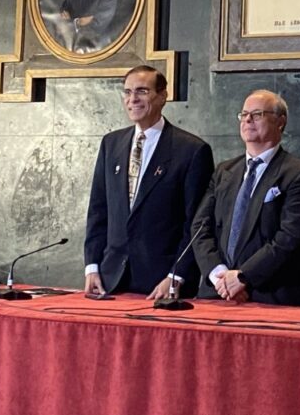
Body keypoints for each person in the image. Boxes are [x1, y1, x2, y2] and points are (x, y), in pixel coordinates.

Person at [83, 65, 214, 298]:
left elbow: (196, 223)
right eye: (127, 92)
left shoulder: (192, 150)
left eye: (142, 91)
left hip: (163, 285)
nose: (133, 99)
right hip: (110, 281)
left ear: (163, 96)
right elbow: (98, 210)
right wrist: (92, 266)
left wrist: (176, 275)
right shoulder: (110, 144)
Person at [192, 90, 300, 305]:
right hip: (217, 293)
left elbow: (290, 238)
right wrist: (220, 277)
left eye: (257, 114)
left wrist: (243, 278)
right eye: (244, 114)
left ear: (280, 122)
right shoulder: (224, 171)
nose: (248, 119)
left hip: (269, 295)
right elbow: (200, 227)